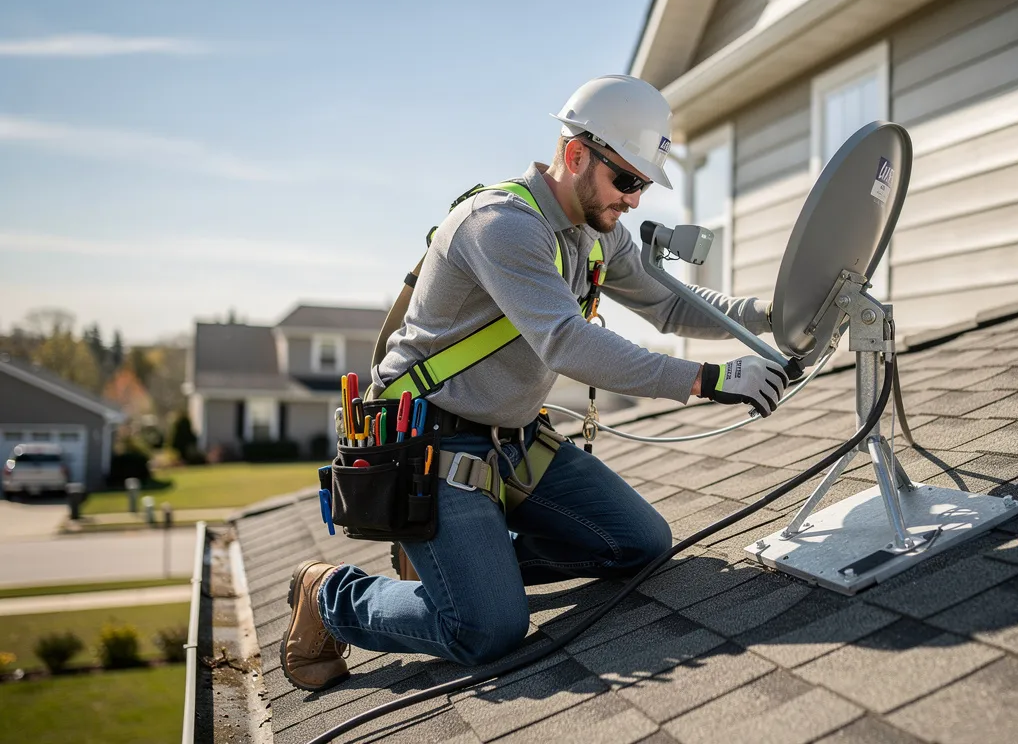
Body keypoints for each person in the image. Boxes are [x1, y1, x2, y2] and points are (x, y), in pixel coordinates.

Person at [281, 75, 787, 691]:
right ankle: (330, 594)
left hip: (514, 441)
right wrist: (707, 380)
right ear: (576, 154)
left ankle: (463, 564)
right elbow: (567, 342)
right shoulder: (501, 224)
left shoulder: (597, 234)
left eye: (642, 185)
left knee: (640, 545)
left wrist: (773, 316)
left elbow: (673, 308)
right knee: (486, 631)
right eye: (625, 180)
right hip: (433, 448)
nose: (633, 200)